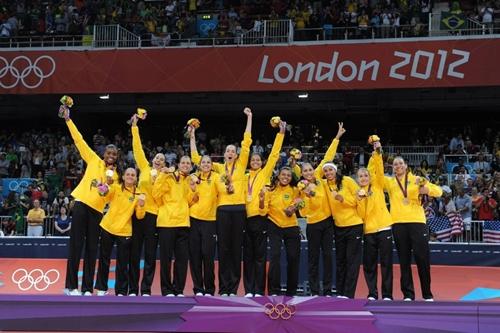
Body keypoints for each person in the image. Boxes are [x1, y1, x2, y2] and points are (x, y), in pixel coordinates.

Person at [190, 107, 252, 296]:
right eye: (228, 150)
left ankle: (233, 288)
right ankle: (224, 288)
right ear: (224, 154)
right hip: (223, 211)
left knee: (235, 250)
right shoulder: (217, 168)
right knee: (223, 250)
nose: (231, 152)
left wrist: (249, 117)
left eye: (233, 150)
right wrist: (192, 135)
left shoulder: (241, 165)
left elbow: (247, 142)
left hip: (239, 210)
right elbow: (196, 158)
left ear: (237, 154)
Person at [61, 108, 120, 296]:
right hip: (81, 205)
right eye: (108, 153)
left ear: (116, 158)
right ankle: (70, 287)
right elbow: (79, 140)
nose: (110, 156)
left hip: (97, 212)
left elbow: (110, 198)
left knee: (92, 250)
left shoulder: (116, 176)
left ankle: (87, 288)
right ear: (104, 154)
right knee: (76, 246)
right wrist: (68, 120)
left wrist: (109, 187)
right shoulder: (93, 159)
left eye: (114, 154)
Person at [385, 157, 442, 301]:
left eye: (400, 164)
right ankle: (408, 294)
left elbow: (439, 191)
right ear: (392, 167)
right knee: (404, 261)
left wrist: (427, 189)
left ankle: (427, 294)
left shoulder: (417, 179)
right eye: (395, 164)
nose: (398, 166)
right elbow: (375, 176)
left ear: (406, 166)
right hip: (398, 223)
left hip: (417, 222)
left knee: (422, 259)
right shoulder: (389, 182)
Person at [298, 122, 346, 296]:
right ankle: (314, 291)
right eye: (306, 171)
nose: (309, 172)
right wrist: (306, 197)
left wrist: (337, 138)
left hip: (327, 223)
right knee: (312, 259)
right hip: (312, 225)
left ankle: (326, 290)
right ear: (302, 174)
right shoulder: (301, 188)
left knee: (327, 257)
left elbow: (327, 158)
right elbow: (302, 211)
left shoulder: (319, 177)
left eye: (311, 169)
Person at [243, 119, 286, 297]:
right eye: (252, 159)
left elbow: (275, 154)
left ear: (261, 162)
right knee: (248, 257)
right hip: (245, 219)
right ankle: (248, 290)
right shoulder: (243, 176)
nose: (254, 161)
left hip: (261, 219)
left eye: (257, 159)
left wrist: (280, 134)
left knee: (260, 257)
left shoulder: (265, 173)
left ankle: (259, 290)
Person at [129, 116, 166, 297]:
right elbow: (137, 149)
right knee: (134, 254)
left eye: (162, 159)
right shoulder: (144, 168)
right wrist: (135, 127)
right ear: (153, 160)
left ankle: (145, 289)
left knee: (150, 256)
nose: (158, 160)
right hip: (138, 213)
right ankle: (132, 289)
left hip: (154, 217)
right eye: (157, 157)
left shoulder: (165, 176)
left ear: (164, 164)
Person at [94, 168, 146, 296]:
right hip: (108, 227)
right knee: (104, 259)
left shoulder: (139, 193)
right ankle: (101, 288)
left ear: (136, 178)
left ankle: (121, 291)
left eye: (133, 175)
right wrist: (103, 186)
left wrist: (142, 205)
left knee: (122, 263)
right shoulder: (116, 188)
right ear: (123, 176)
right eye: (127, 174)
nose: (130, 176)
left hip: (124, 231)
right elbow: (104, 194)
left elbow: (139, 216)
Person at [153, 156, 198, 296]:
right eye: (183, 162)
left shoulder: (190, 180)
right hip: (166, 223)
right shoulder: (169, 177)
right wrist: (163, 175)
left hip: (183, 224)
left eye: (188, 163)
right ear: (178, 164)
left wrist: (193, 189)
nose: (185, 165)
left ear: (191, 166)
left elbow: (190, 202)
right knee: (166, 259)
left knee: (182, 260)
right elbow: (156, 194)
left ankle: (178, 289)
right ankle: (166, 290)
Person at [357, 140, 393, 301]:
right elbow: (361, 215)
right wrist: (361, 199)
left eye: (365, 175)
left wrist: (377, 153)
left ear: (370, 177)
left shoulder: (378, 185)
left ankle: (387, 295)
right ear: (357, 179)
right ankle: (372, 293)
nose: (364, 177)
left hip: (384, 228)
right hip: (369, 231)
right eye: (360, 176)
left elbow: (379, 169)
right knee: (370, 265)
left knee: (386, 264)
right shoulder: (358, 194)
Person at [259, 167, 302, 296]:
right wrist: (261, 200)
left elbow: (300, 202)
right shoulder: (270, 189)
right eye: (283, 174)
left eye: (289, 175)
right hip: (274, 225)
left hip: (291, 226)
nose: (286, 177)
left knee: (293, 258)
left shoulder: (295, 190)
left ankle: (291, 292)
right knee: (275, 257)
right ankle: (274, 291)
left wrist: (294, 208)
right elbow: (263, 211)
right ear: (278, 176)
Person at [323, 162, 363, 299]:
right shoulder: (325, 184)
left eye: (330, 170)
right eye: (326, 171)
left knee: (352, 261)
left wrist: (342, 199)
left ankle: (348, 294)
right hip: (338, 226)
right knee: (341, 260)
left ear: (335, 170)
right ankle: (340, 292)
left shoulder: (348, 180)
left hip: (354, 225)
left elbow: (358, 199)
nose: (328, 173)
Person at [186, 154, 219, 296]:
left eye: (208, 162)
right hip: (193, 219)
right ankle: (198, 289)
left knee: (208, 256)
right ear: (199, 164)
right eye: (203, 162)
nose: (205, 164)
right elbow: (188, 199)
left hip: (210, 221)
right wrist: (193, 189)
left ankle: (210, 289)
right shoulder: (192, 177)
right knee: (195, 256)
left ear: (212, 165)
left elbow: (223, 194)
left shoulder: (217, 178)